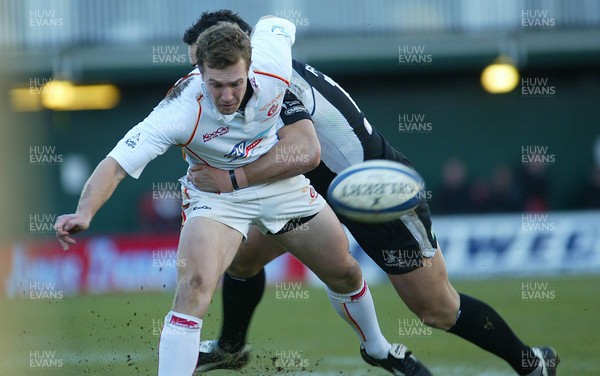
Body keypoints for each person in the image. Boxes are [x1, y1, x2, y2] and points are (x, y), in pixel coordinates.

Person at [183, 10, 559, 376]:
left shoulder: (270, 86)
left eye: (204, 66)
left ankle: (531, 362)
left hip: (373, 191)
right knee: (243, 259)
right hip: (311, 187)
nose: (199, 79)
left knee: (437, 309)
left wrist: (229, 178)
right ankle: (232, 349)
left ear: (240, 56)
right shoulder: (249, 78)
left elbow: (304, 152)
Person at [54, 15, 431, 376]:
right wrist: (84, 212)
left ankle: (378, 348)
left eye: (235, 82)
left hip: (279, 184)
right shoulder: (179, 109)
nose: (227, 94)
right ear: (199, 73)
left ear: (250, 65)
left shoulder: (273, 60)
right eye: (216, 84)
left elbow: (278, 23)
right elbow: (116, 163)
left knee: (345, 271)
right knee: (195, 287)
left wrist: (237, 175)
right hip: (214, 197)